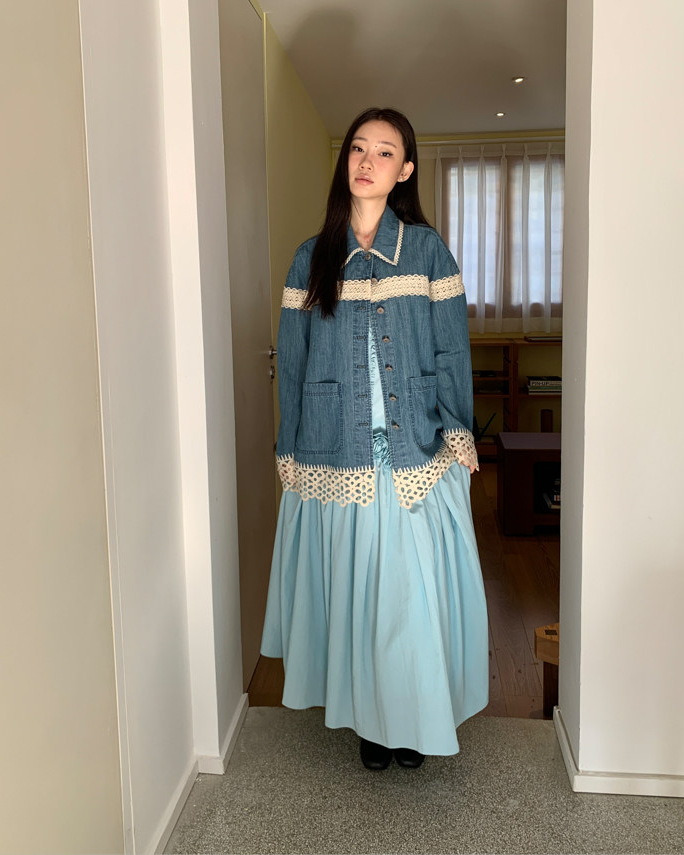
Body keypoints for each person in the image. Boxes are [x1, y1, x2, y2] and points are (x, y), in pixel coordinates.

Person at [260, 106, 489, 770]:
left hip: (414, 448)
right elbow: (294, 361)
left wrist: (459, 430)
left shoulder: (427, 250)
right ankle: (370, 721)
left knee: (408, 602)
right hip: (336, 452)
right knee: (357, 599)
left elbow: (451, 349)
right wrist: (289, 446)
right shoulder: (311, 257)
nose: (366, 161)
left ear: (405, 170)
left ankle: (411, 722)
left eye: (384, 152)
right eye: (358, 148)